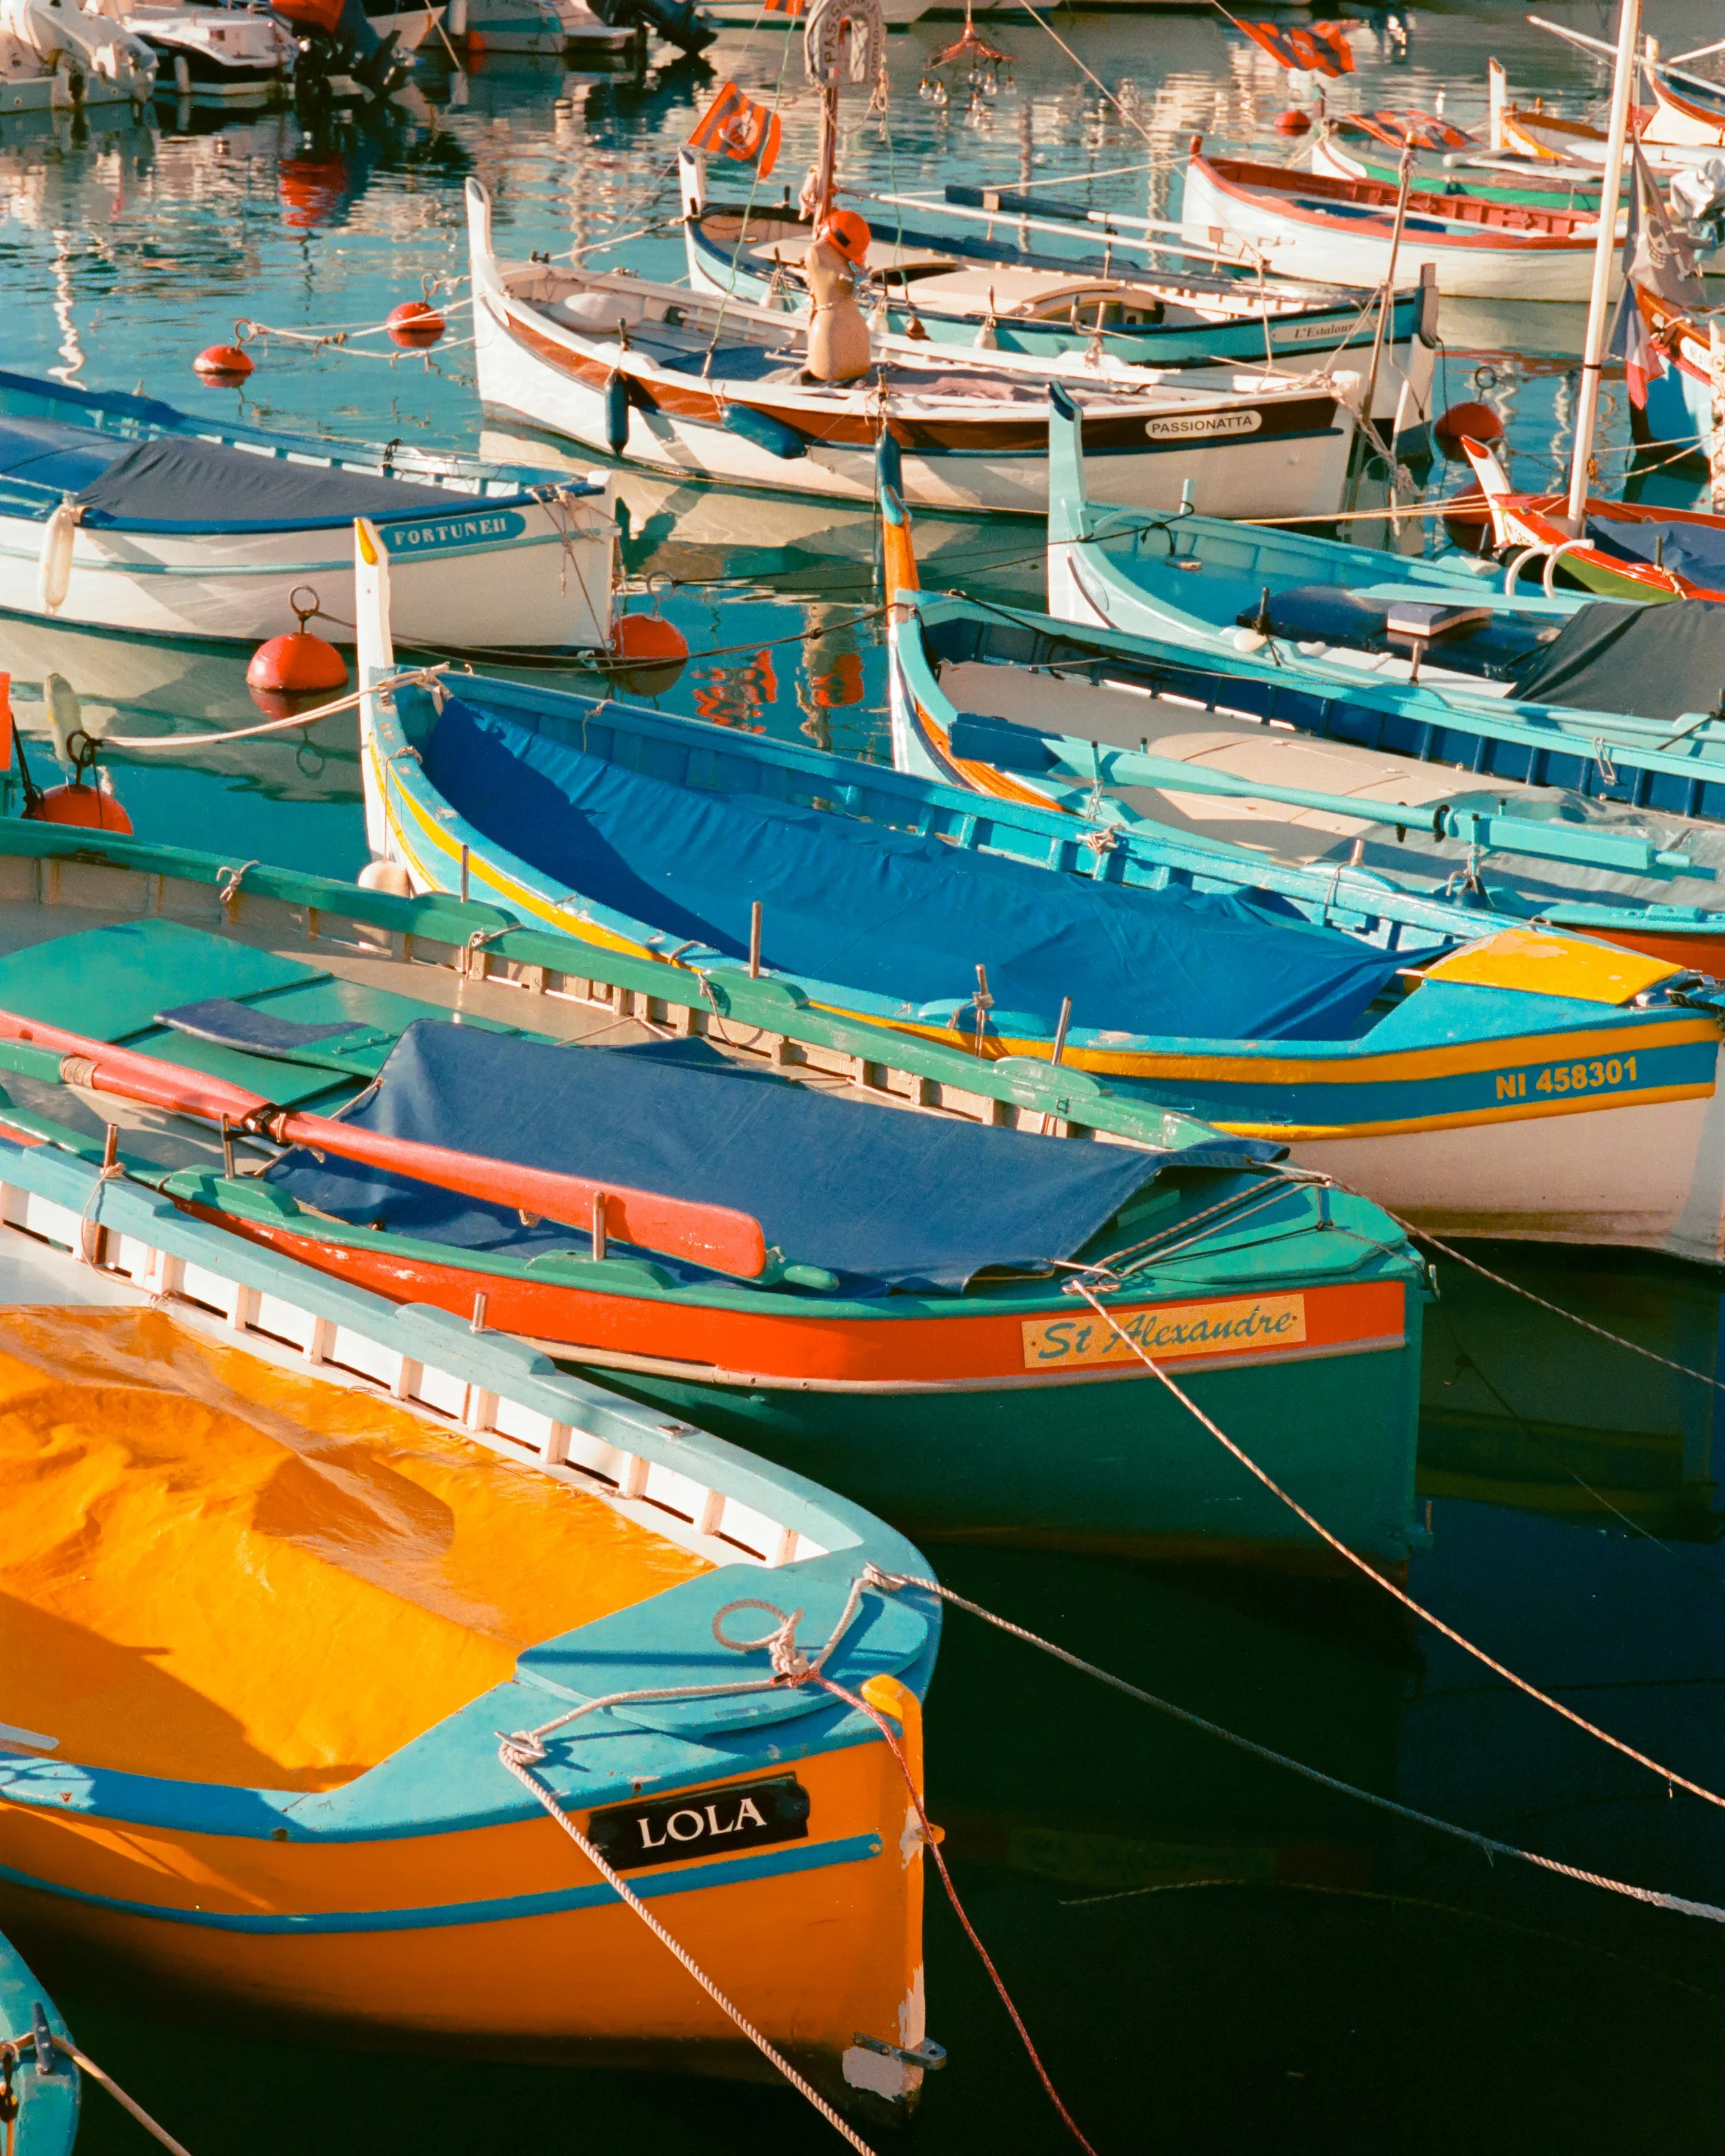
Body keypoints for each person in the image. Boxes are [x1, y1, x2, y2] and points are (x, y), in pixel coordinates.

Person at [805, 210, 873, 384]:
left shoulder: (846, 255)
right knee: (831, 374)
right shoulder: (816, 253)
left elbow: (855, 271)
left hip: (855, 329)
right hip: (830, 330)